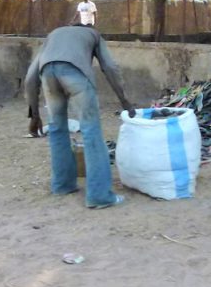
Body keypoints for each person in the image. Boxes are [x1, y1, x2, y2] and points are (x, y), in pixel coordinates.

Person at [25, 24, 134, 209]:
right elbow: (110, 67)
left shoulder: (54, 34)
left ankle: (62, 185)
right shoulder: (94, 34)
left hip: (47, 75)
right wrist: (124, 101)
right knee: (91, 130)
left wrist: (34, 115)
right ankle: (100, 196)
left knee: (57, 129)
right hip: (76, 74)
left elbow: (30, 77)